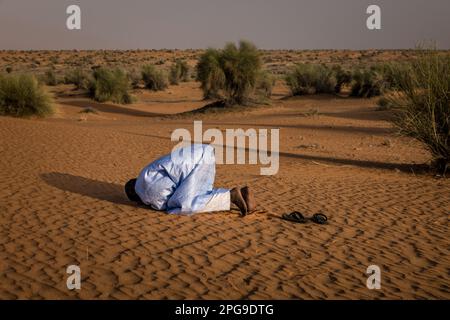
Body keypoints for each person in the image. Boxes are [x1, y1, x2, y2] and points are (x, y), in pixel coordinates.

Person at [124, 144, 255, 216]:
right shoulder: (146, 173)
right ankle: (242, 195)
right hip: (201, 153)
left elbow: (164, 202)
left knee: (184, 205)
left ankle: (230, 196)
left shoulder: (145, 190)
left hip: (196, 161)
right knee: (195, 193)